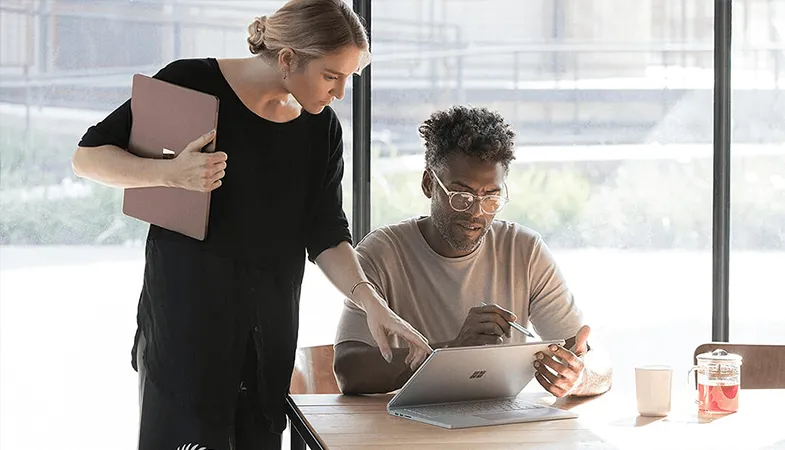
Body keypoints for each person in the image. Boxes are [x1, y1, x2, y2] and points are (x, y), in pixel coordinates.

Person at [72, 1, 431, 448]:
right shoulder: (191, 82)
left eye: (347, 78)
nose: (339, 93)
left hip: (267, 344)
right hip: (186, 333)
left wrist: (372, 303)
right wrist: (168, 174)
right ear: (286, 59)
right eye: (331, 76)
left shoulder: (321, 130)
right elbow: (87, 157)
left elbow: (326, 234)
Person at [333, 106, 613, 398]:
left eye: (491, 198)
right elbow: (348, 371)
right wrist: (450, 352)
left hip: (499, 433)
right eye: (461, 196)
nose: (476, 212)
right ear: (429, 184)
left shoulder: (525, 251)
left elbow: (596, 362)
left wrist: (581, 378)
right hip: (410, 431)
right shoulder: (382, 253)